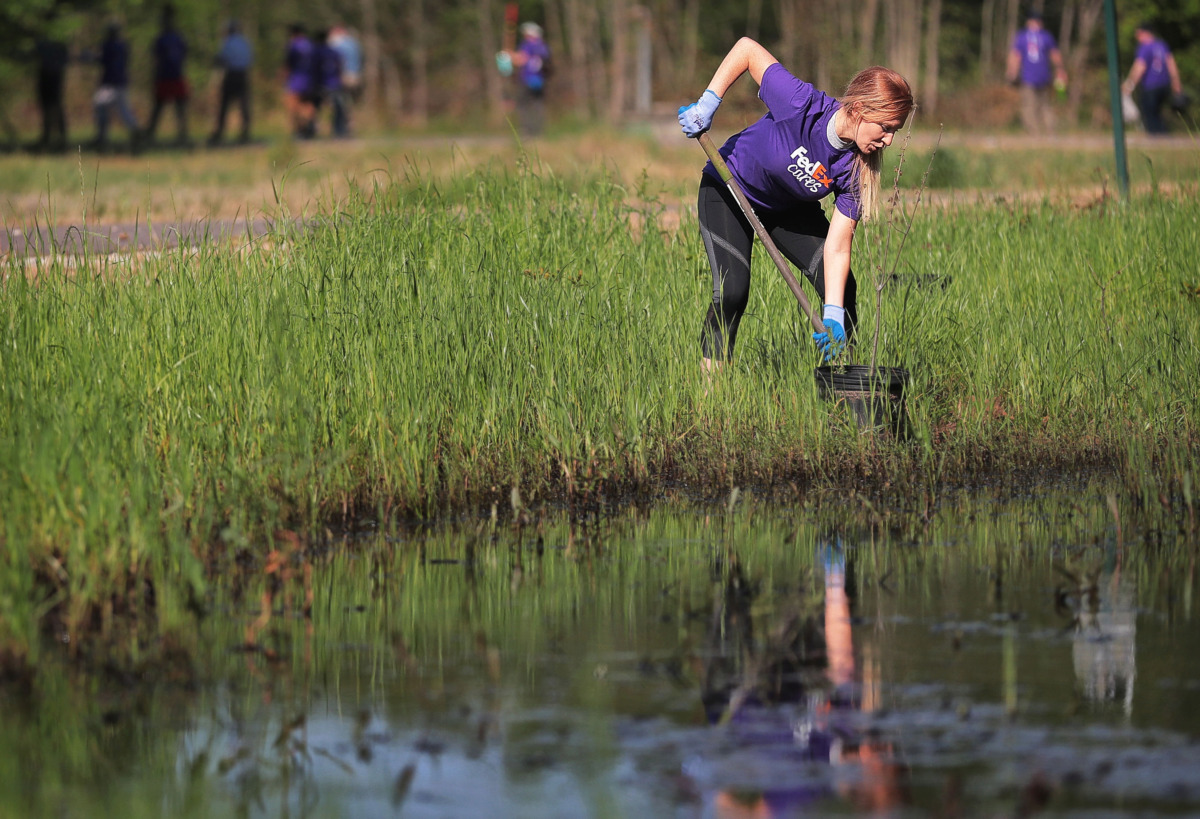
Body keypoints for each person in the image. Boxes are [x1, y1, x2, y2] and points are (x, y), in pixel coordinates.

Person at [677, 37, 914, 371]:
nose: (888, 140)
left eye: (895, 131)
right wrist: (708, 102)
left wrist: (832, 314)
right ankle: (713, 396)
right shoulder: (800, 104)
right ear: (860, 110)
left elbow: (838, 246)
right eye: (886, 128)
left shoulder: (856, 170)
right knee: (732, 291)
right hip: (730, 189)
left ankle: (847, 387)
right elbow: (747, 50)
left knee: (843, 292)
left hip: (788, 209)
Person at [1005, 11, 1067, 135]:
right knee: (1045, 105)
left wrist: (1012, 71)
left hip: (1028, 76)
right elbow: (1055, 54)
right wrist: (1061, 69)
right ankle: (1051, 131)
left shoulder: (1022, 36)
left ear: (1028, 22)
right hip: (1044, 75)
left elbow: (1016, 56)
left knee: (1029, 106)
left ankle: (1034, 133)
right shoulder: (1046, 36)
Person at [1122, 24, 1183, 135]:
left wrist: (1130, 84)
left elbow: (1140, 67)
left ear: (1147, 33)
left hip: (1150, 85)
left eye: (1139, 33)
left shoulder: (1144, 47)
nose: (1137, 37)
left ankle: (1156, 138)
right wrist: (1176, 82)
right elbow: (1171, 64)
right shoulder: (1162, 45)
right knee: (1157, 112)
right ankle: (1164, 135)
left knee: (1149, 113)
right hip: (1164, 84)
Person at [89, 22, 141, 152]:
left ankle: (134, 132)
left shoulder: (109, 45)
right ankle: (104, 137)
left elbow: (103, 60)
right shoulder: (123, 45)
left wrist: (91, 57)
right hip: (118, 82)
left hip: (111, 82)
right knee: (115, 109)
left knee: (106, 107)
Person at [144, 4, 191, 146]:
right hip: (172, 76)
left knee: (164, 109)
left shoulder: (164, 38)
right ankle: (180, 135)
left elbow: (155, 59)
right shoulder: (177, 38)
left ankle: (179, 135)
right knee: (173, 109)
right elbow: (185, 54)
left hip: (168, 76)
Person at [208, 20, 254, 146]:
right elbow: (250, 59)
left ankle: (219, 132)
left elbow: (221, 59)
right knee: (244, 105)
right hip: (243, 75)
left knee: (224, 105)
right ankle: (245, 132)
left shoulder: (227, 43)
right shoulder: (245, 42)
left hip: (231, 75)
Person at [508, 22, 551, 137]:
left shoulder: (527, 45)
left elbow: (521, 60)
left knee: (523, 104)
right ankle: (539, 131)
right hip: (540, 80)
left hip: (527, 79)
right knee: (537, 104)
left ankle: (527, 131)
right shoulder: (543, 46)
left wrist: (510, 56)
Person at [33, 31, 70, 153]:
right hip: (46, 78)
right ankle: (48, 137)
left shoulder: (57, 43)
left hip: (53, 78)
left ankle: (61, 139)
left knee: (55, 108)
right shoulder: (45, 42)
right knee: (48, 108)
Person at [282, 24, 317, 139]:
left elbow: (288, 64)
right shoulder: (311, 45)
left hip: (296, 79)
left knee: (293, 106)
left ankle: (298, 130)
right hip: (310, 79)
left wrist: (283, 78)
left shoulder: (293, 45)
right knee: (308, 105)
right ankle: (310, 127)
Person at [315, 30, 348, 137]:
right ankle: (339, 131)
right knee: (338, 108)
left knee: (315, 108)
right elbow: (340, 68)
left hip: (319, 84)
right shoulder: (334, 52)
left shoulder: (315, 52)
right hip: (334, 83)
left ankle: (310, 130)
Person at [329, 26, 363, 104]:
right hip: (355, 75)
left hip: (344, 75)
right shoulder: (354, 43)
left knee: (339, 98)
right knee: (350, 99)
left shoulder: (338, 45)